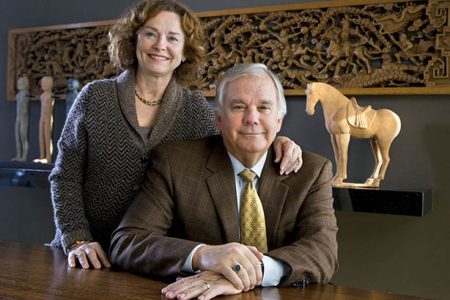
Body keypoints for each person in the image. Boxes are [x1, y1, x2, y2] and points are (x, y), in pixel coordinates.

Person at [49, 0, 302, 270]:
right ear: (134, 40)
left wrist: (276, 141)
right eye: (150, 34)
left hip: (153, 261)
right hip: (88, 256)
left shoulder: (195, 109)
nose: (160, 45)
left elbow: (233, 140)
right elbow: (65, 176)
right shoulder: (95, 97)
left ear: (184, 51)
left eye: (172, 38)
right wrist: (77, 239)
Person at [110, 63, 338, 300]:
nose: (252, 118)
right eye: (239, 107)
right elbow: (128, 241)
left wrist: (250, 272)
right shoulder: (175, 163)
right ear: (218, 118)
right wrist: (204, 256)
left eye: (264, 107)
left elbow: (322, 251)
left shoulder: (311, 172)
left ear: (279, 121)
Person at [34, 76, 55, 164]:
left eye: (46, 83)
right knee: (40, 137)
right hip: (41, 118)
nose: (43, 84)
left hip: (48, 118)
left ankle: (48, 157)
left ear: (51, 84)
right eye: (42, 83)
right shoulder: (42, 96)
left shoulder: (51, 95)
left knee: (47, 138)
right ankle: (42, 156)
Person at [12, 75, 30, 162]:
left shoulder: (26, 94)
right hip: (18, 117)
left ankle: (24, 156)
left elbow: (25, 107)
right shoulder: (18, 94)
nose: (18, 84)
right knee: (17, 136)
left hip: (23, 117)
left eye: (20, 83)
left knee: (23, 137)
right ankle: (18, 155)